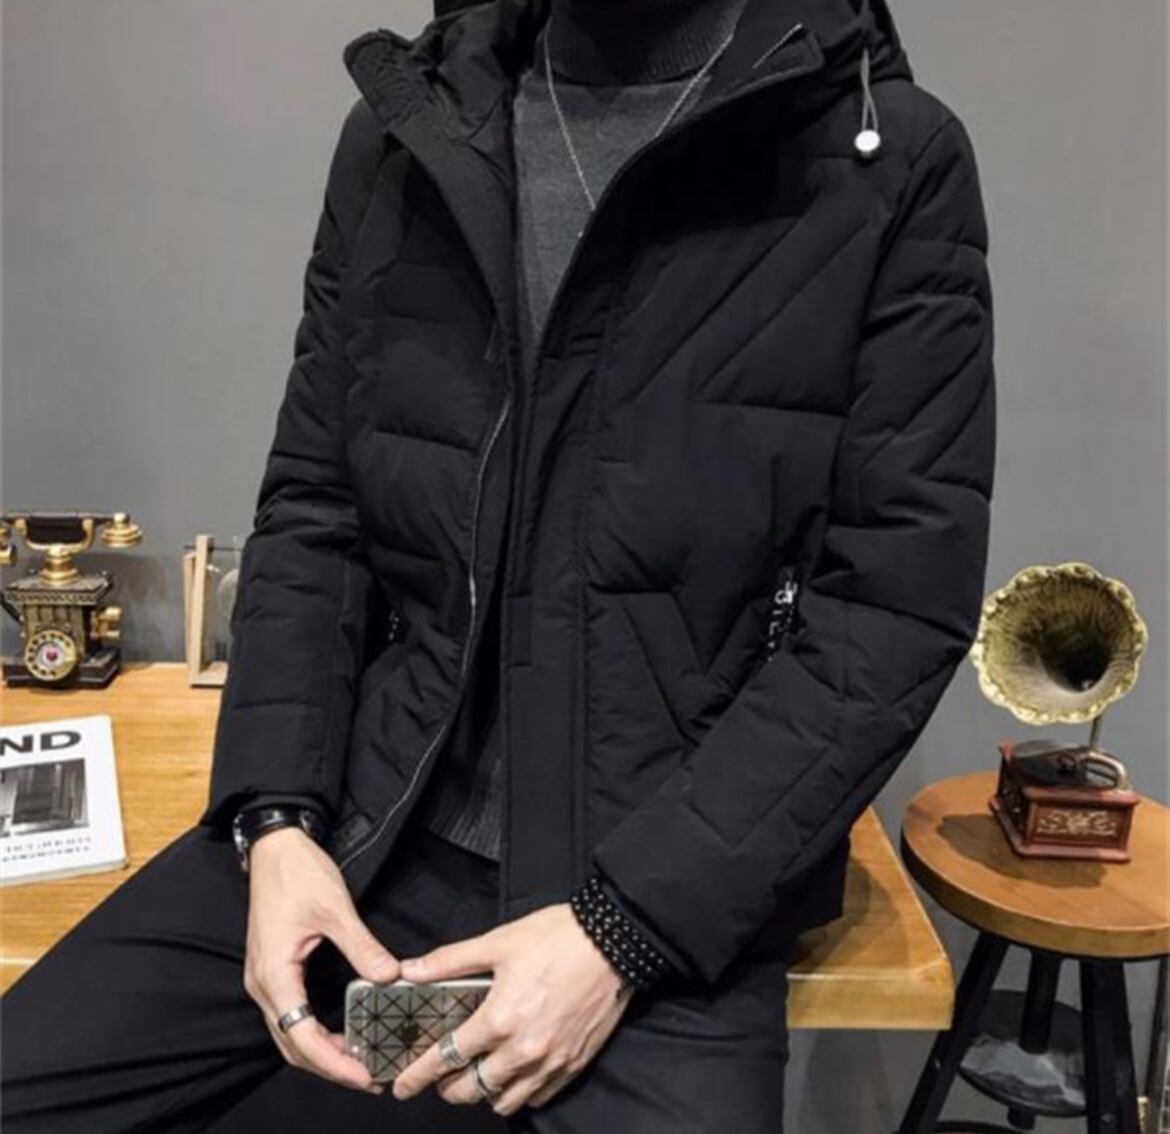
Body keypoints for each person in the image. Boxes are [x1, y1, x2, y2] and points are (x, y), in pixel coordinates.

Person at [0, 0, 996, 1129]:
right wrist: (274, 822)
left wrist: (620, 933)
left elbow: (891, 614)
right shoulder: (405, 131)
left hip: (658, 885)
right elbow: (317, 509)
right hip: (366, 831)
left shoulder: (887, 162)